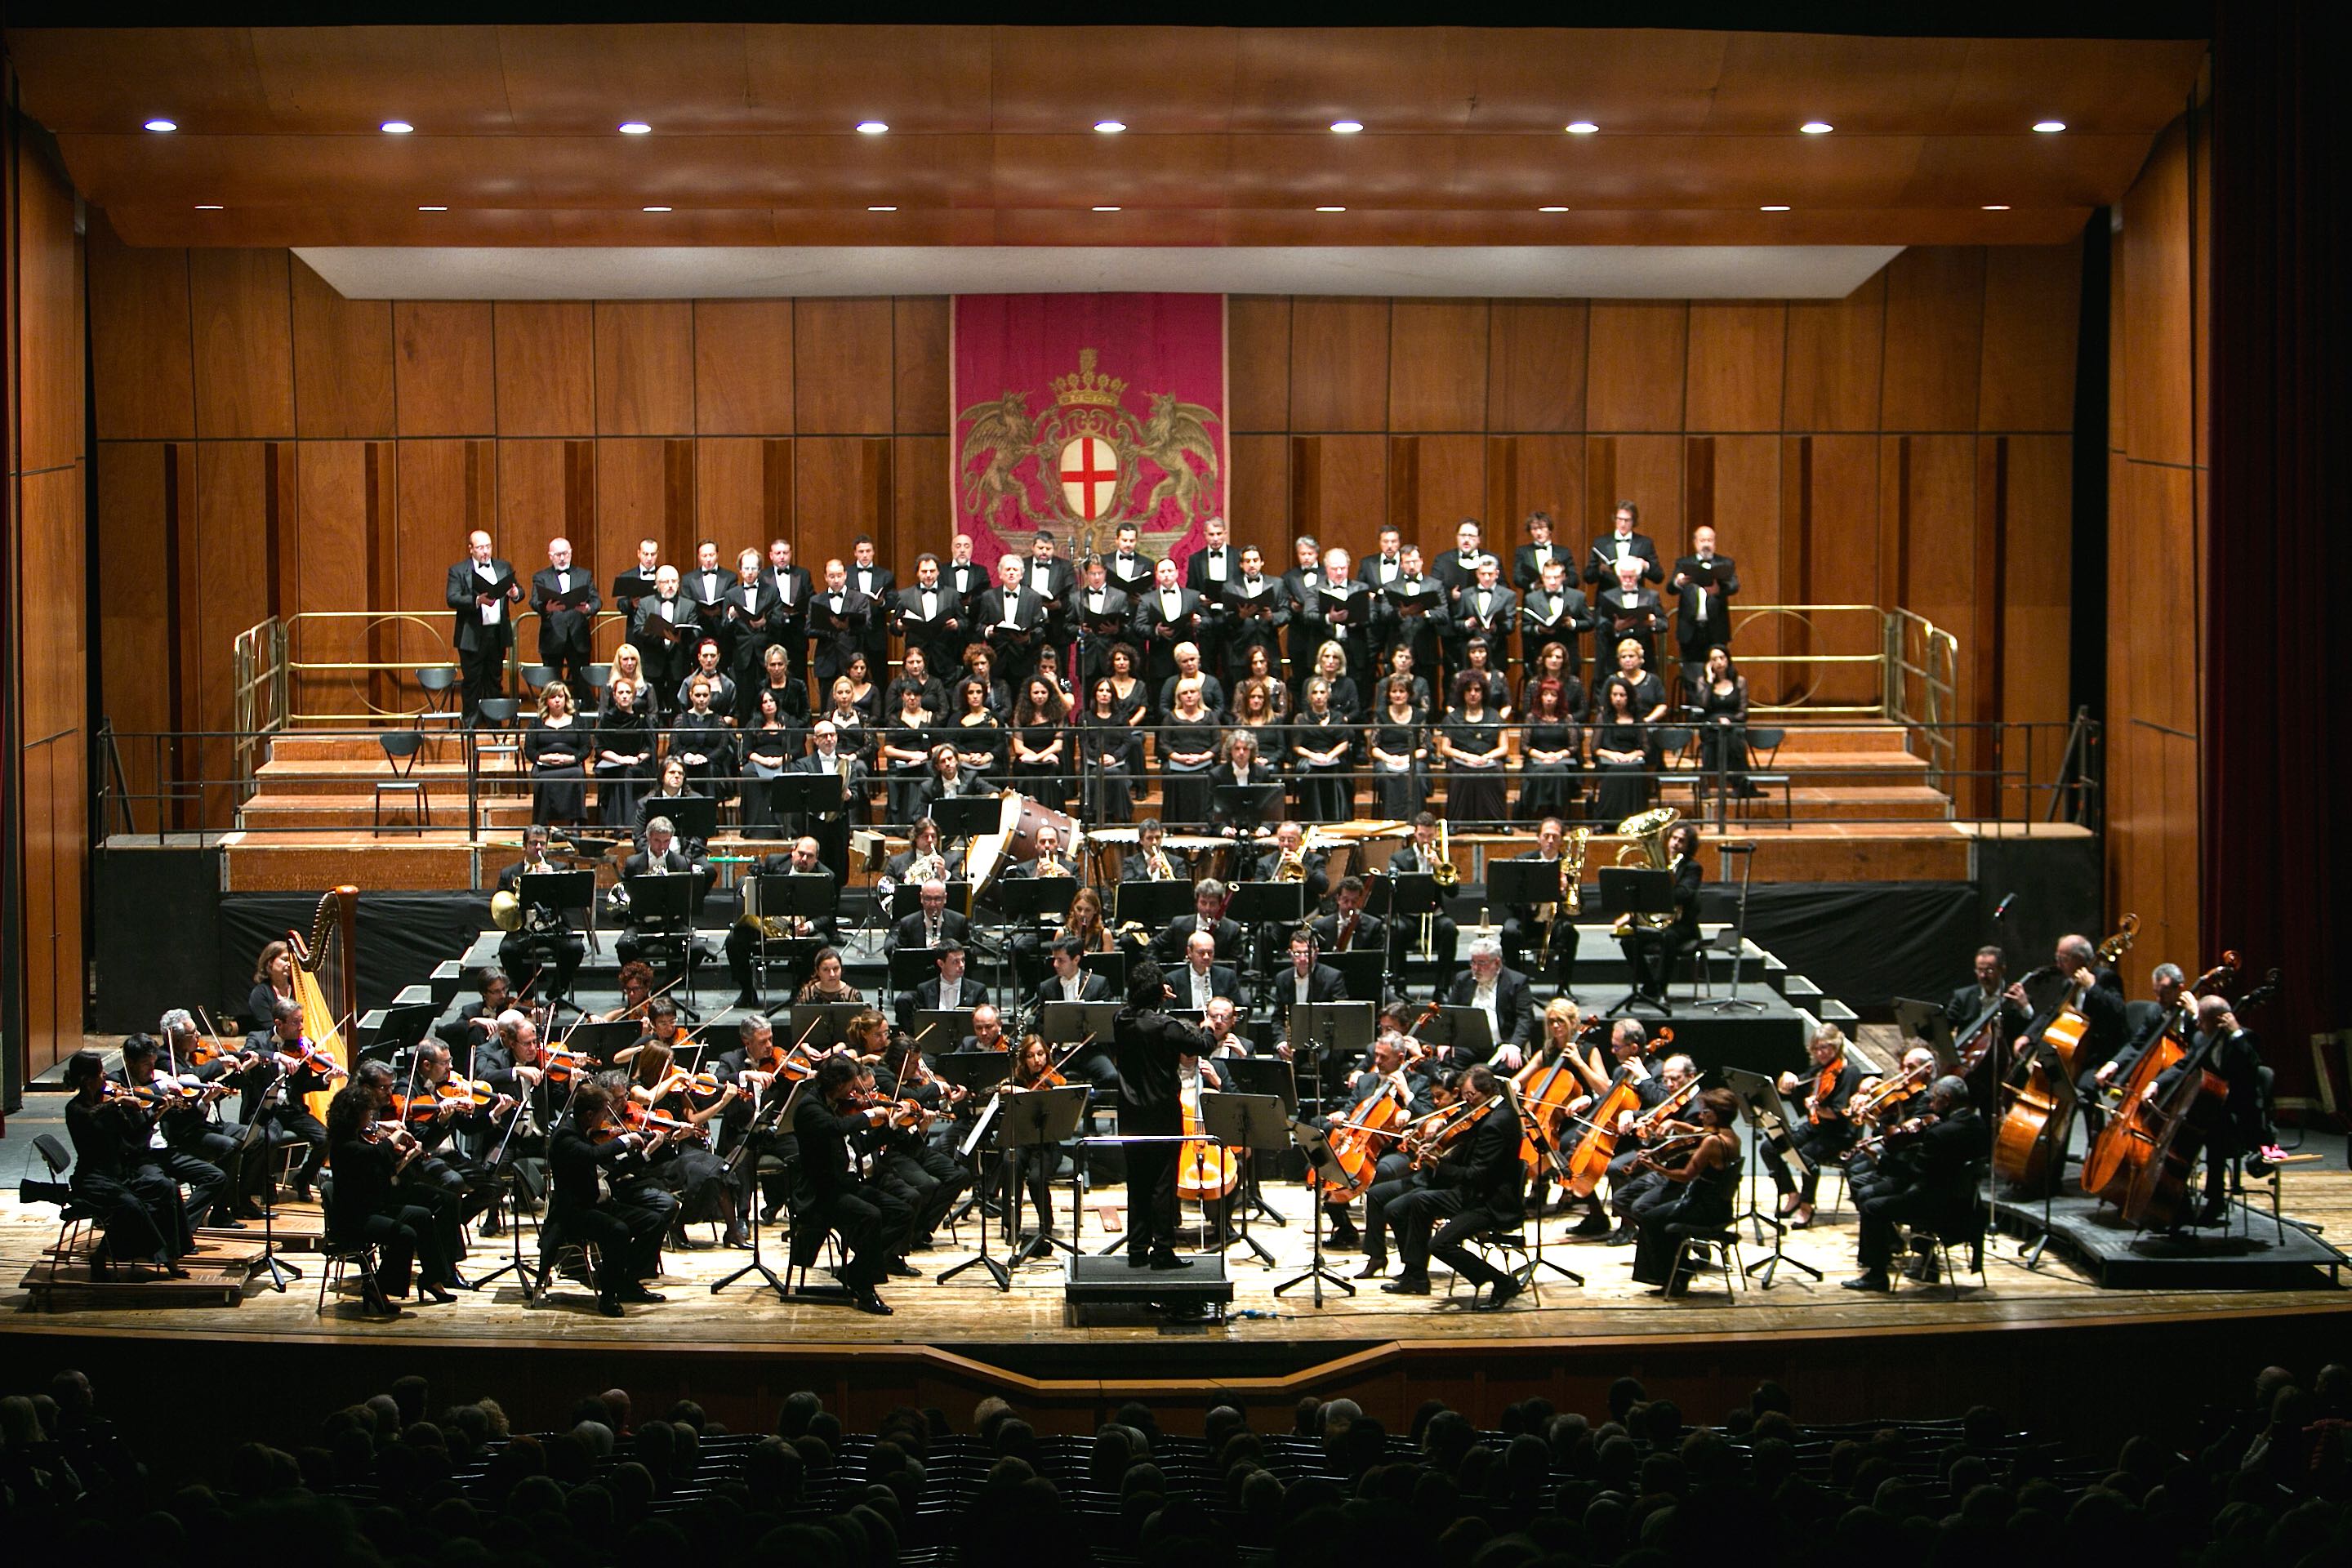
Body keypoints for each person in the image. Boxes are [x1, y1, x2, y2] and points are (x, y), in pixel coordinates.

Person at [1383, 1065, 1528, 1308]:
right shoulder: (1487, 1113)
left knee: (1441, 1244)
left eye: (1472, 1096)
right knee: (1417, 1202)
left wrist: (1438, 1164)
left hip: (1491, 1203)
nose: (1467, 1102)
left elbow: (1475, 1175)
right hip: (1475, 1193)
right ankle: (1416, 1276)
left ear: (1490, 1091)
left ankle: (1503, 1282)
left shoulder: (1498, 1122)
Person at [323, 1074, 457, 1312]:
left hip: (372, 1208)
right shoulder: (345, 1146)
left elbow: (382, 1169)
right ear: (355, 1116)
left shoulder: (356, 1140)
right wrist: (395, 1137)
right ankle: (378, 1287)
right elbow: (377, 1156)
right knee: (404, 1233)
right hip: (353, 1220)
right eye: (367, 1113)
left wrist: (407, 1155)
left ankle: (433, 1279)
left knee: (422, 1215)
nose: (371, 1118)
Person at [1106, 963, 1205, 1282]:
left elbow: (1137, 1008)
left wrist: (1155, 994)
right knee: (1163, 1184)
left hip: (1131, 1115)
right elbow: (1200, 1046)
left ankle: (1137, 1250)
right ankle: (1162, 1251)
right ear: (1158, 992)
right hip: (1162, 1114)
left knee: (1137, 1181)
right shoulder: (1166, 1026)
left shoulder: (1120, 1019)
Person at [548, 1081, 677, 1317]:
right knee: (617, 1230)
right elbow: (591, 1156)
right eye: (603, 1114)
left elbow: (612, 1170)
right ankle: (608, 1297)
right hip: (574, 1211)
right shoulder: (565, 1136)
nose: (606, 1119)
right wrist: (625, 1141)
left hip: (600, 1204)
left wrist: (647, 1154)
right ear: (589, 1115)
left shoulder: (586, 1131)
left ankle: (628, 1281)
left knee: (654, 1221)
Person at [1845, 1076, 1984, 1291]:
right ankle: (1926, 1265)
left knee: (1872, 1206)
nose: (1930, 1104)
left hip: (1936, 1205)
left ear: (1947, 1099)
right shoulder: (1978, 1125)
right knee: (1872, 1195)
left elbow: (1915, 1174)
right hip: (1966, 1203)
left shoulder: (1940, 1133)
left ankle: (1877, 1275)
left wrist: (1878, 1158)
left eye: (1935, 1099)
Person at [794, 1054, 907, 1315]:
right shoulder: (811, 1108)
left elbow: (862, 1145)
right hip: (821, 1193)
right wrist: (869, 1114)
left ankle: (854, 1272)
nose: (855, 1091)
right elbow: (836, 1128)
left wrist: (891, 1123)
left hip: (844, 1185)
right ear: (837, 1083)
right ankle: (866, 1289)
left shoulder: (838, 1104)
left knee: (903, 1210)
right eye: (851, 1085)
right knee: (871, 1216)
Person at [61, 1051, 194, 1275]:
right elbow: (89, 1118)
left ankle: (172, 1256)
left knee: (166, 1188)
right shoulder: (76, 1109)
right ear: (87, 1080)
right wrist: (118, 1101)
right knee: (131, 1205)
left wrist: (156, 1116)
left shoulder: (108, 1106)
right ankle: (104, 1255)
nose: (106, 1077)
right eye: (101, 1073)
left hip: (120, 1174)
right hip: (92, 1180)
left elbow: (133, 1140)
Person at [1628, 1085, 1743, 1296]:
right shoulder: (1732, 1137)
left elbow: (1685, 1175)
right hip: (1719, 1206)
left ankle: (1673, 1276)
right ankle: (1678, 1272)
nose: (1700, 1115)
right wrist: (1673, 1123)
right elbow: (1694, 1131)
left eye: (1705, 1112)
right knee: (1658, 1215)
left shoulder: (1712, 1143)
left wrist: (1656, 1167)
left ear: (1717, 1114)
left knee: (1650, 1218)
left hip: (1702, 1208)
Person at [1768, 1025, 1868, 1227]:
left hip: (1840, 1134)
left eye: (1825, 1048)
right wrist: (1786, 1081)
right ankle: (1791, 1194)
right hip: (1817, 1128)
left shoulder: (1850, 1073)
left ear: (1837, 1046)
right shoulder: (1820, 1070)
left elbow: (1841, 1115)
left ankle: (1807, 1206)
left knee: (1806, 1156)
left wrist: (1818, 1108)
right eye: (1816, 1049)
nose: (1821, 1053)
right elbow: (1793, 1087)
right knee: (1769, 1146)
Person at [726, 835, 836, 1007]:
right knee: (734, 939)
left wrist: (809, 926)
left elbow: (829, 915)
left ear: (817, 859)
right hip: (768, 928)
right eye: (801, 854)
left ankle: (799, 990)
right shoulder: (774, 862)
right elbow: (743, 878)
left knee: (821, 942)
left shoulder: (827, 876)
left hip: (801, 932)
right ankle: (747, 991)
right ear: (793, 852)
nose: (804, 859)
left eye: (810, 856)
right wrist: (746, 888)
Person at [494, 826, 587, 1002]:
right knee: (507, 951)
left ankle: (556, 992)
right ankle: (527, 995)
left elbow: (568, 902)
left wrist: (554, 879)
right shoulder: (509, 873)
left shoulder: (559, 868)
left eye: (542, 844)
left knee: (575, 949)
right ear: (524, 846)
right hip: (523, 928)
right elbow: (501, 902)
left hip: (552, 925)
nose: (538, 847)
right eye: (533, 843)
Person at [1619, 819, 1703, 1009]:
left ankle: (1661, 988)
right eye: (1673, 838)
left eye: (1681, 841)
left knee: (1668, 938)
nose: (1675, 843)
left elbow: (1685, 894)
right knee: (1628, 939)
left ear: (1688, 846)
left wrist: (1658, 887)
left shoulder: (1692, 868)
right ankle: (1650, 987)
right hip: (1654, 922)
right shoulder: (1659, 864)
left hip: (1681, 926)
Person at [446, 529, 523, 720]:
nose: (485, 551)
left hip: (496, 633)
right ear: (471, 549)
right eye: (480, 547)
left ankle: (494, 723)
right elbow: (452, 598)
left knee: (494, 680)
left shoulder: (503, 567)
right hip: (472, 635)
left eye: (488, 546)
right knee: (472, 681)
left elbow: (519, 591)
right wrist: (477, 601)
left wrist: (515, 594)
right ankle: (471, 723)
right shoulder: (458, 570)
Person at [1501, 817, 1582, 996]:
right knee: (1509, 931)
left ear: (1562, 839)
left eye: (1555, 836)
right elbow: (1509, 900)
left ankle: (1564, 987)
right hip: (1526, 918)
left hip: (1554, 922)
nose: (1550, 841)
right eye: (1546, 836)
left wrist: (1566, 890)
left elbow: (1578, 906)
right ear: (1538, 838)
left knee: (1570, 932)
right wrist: (1530, 896)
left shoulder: (1569, 866)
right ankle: (1513, 986)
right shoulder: (1522, 861)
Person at [1385, 813, 1462, 992]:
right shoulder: (1400, 859)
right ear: (1415, 833)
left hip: (1434, 915)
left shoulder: (1443, 859)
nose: (1426, 840)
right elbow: (1393, 890)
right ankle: (1399, 986)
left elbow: (1453, 893)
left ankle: (1442, 989)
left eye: (1429, 836)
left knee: (1450, 929)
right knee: (1396, 930)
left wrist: (1438, 865)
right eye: (1422, 835)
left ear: (1435, 834)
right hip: (1409, 916)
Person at [1441, 939, 1535, 1067]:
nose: (1475, 968)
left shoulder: (1516, 982)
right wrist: (1446, 1042)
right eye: (1473, 962)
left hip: (1502, 1046)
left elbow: (1525, 1018)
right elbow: (1450, 1013)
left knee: (1508, 1065)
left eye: (1481, 963)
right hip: (1470, 1045)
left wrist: (1514, 1045)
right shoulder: (1463, 979)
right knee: (1446, 1059)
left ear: (1497, 963)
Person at [1670, 525, 1740, 694]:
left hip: (1715, 628)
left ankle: (1715, 706)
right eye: (1702, 540)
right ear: (1695, 542)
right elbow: (1670, 588)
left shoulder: (1725, 563)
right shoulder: (1684, 563)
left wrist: (1719, 590)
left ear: (1715, 543)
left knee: (1719, 669)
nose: (1706, 544)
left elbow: (1734, 585)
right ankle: (1695, 709)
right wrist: (1679, 582)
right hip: (1690, 629)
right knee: (1690, 672)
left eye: (1710, 540)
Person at [529, 536, 600, 693]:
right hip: (552, 638)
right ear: (550, 556)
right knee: (551, 686)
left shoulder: (584, 575)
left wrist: (588, 608)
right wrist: (547, 608)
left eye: (565, 554)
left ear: (571, 553)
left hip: (578, 637)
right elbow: (534, 601)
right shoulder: (541, 577)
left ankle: (584, 717)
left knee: (583, 686)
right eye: (558, 555)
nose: (562, 558)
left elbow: (597, 601)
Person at [1437, 672, 1508, 826]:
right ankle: (1455, 823)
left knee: (1496, 772)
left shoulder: (1495, 716)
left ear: (1484, 692)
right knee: (1461, 773)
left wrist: (1487, 757)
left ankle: (1500, 822)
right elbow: (1445, 748)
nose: (1473, 694)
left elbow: (1504, 747)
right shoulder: (1452, 718)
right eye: (1469, 690)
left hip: (1488, 760)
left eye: (1477, 690)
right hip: (1461, 761)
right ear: (1462, 693)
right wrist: (1465, 756)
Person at [592, 676, 657, 829]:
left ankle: (625, 824)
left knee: (628, 772)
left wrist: (637, 758)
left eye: (628, 692)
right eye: (620, 692)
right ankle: (622, 824)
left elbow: (650, 747)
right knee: (622, 772)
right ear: (614, 695)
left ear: (634, 696)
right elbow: (600, 748)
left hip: (639, 764)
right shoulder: (606, 719)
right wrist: (620, 759)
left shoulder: (642, 718)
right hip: (612, 763)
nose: (624, 695)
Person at [1291, 676, 1357, 823]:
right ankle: (1314, 820)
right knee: (1309, 771)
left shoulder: (1338, 717)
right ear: (1309, 697)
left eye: (1322, 692)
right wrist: (1314, 756)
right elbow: (1297, 746)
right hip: (1309, 756)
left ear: (1328, 695)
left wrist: (1329, 755)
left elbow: (1344, 743)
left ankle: (1338, 820)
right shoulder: (1301, 718)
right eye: (1315, 693)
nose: (1319, 696)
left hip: (1334, 755)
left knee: (1339, 770)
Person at [1156, 677, 1221, 825]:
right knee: (1171, 776)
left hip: (1203, 761)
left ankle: (1202, 823)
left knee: (1207, 777)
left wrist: (1202, 758)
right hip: (1177, 762)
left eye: (1193, 692)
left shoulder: (1210, 716)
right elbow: (1164, 744)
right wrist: (1179, 758)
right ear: (1179, 696)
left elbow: (1217, 743)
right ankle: (1174, 824)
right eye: (1185, 693)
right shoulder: (1170, 717)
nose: (1190, 695)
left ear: (1199, 695)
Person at [1589, 676, 1655, 824]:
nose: (1618, 699)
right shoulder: (1603, 717)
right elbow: (1595, 748)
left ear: (1629, 696)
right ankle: (1607, 821)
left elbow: (1645, 748)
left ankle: (1634, 821)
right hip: (1610, 759)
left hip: (1632, 758)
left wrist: (1633, 754)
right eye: (1614, 695)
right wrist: (1612, 754)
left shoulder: (1638, 717)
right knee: (1615, 771)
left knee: (1635, 771)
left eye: (1622, 695)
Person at [524, 681, 590, 826]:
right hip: (545, 766)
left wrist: (572, 758)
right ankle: (541, 826)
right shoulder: (537, 722)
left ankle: (575, 827)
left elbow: (586, 748)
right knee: (542, 779)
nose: (557, 700)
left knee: (577, 775)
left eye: (560, 696)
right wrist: (543, 758)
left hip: (570, 765)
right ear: (546, 700)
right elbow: (529, 749)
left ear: (566, 699)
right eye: (553, 696)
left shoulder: (578, 720)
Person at [1517, 679, 1584, 822]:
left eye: (1553, 695)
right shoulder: (1531, 718)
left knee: (1560, 771)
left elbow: (1573, 746)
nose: (1549, 698)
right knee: (1540, 771)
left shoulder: (1567, 718)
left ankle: (1558, 814)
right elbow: (1524, 746)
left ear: (1559, 698)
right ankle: (1538, 814)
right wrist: (1543, 756)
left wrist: (1557, 756)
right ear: (1540, 696)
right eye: (1546, 694)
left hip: (1560, 759)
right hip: (1536, 759)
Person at [1691, 647, 1753, 798]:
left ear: (1728, 659)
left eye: (1722, 658)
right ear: (1709, 663)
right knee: (1713, 736)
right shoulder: (1702, 681)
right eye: (1714, 659)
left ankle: (1734, 781)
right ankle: (1713, 782)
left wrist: (1730, 720)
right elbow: (1703, 705)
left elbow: (1743, 711)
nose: (1719, 662)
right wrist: (1710, 681)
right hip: (1711, 723)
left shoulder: (1739, 681)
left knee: (1731, 736)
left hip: (1733, 723)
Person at [1369, 675, 1432, 819]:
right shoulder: (1381, 714)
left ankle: (1416, 819)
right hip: (1388, 758)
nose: (1398, 695)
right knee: (1384, 775)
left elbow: (1425, 748)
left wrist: (1407, 759)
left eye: (1402, 691)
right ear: (1388, 694)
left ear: (1409, 693)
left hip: (1412, 757)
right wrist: (1389, 758)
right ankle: (1389, 819)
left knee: (1418, 774)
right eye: (1394, 691)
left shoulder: (1419, 715)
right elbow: (1374, 747)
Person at [808, 558, 875, 688]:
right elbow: (808, 629)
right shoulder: (816, 600)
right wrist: (830, 629)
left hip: (852, 658)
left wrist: (847, 627)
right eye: (832, 576)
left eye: (839, 575)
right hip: (826, 660)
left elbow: (867, 625)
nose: (836, 580)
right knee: (826, 703)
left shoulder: (859, 598)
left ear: (845, 575)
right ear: (825, 577)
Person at [1596, 559, 1668, 678]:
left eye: (1631, 576)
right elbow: (1601, 627)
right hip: (1616, 656)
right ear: (1619, 576)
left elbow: (1664, 624)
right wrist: (1616, 628)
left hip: (1644, 655)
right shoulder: (1607, 596)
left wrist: (1653, 622)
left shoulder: (1651, 595)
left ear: (1638, 576)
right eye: (1624, 577)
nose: (1628, 580)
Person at [1009, 676, 1071, 809]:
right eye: (1036, 693)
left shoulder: (1057, 714)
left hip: (1049, 755)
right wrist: (1036, 757)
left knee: (1052, 767)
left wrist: (1038, 758)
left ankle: (1052, 810)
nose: (1040, 696)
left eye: (1043, 692)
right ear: (1029, 694)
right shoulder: (1020, 715)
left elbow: (1058, 745)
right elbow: (1018, 748)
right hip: (1026, 755)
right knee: (1025, 767)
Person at [668, 675, 733, 795]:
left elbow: (723, 748)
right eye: (698, 695)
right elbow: (674, 747)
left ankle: (708, 809)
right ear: (691, 695)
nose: (702, 699)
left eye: (705, 695)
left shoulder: (719, 720)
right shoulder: (680, 719)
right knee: (679, 770)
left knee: (709, 769)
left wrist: (706, 758)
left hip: (711, 765)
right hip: (686, 764)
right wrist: (687, 756)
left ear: (710, 696)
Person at [1583, 498, 1664, 591]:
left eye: (1627, 520)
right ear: (1615, 518)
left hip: (1636, 599)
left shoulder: (1645, 543)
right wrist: (1600, 570)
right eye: (1620, 519)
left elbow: (1659, 577)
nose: (1623, 524)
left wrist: (1645, 565)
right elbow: (1588, 578)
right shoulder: (1601, 543)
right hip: (1607, 598)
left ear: (1634, 521)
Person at [247, 939, 298, 1027]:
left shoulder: (298, 991)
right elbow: (268, 1027)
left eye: (291, 960)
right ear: (270, 962)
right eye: (285, 959)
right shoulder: (260, 993)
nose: (289, 964)